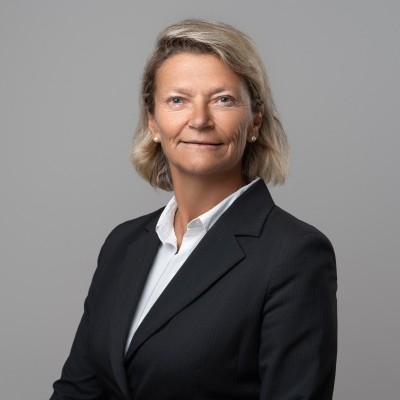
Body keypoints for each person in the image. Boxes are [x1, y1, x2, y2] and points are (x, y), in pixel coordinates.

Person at [51, 19, 337, 400]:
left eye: (223, 99)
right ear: (153, 122)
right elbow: (76, 391)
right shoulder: (122, 245)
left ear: (255, 121)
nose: (199, 120)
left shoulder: (294, 254)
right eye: (177, 100)